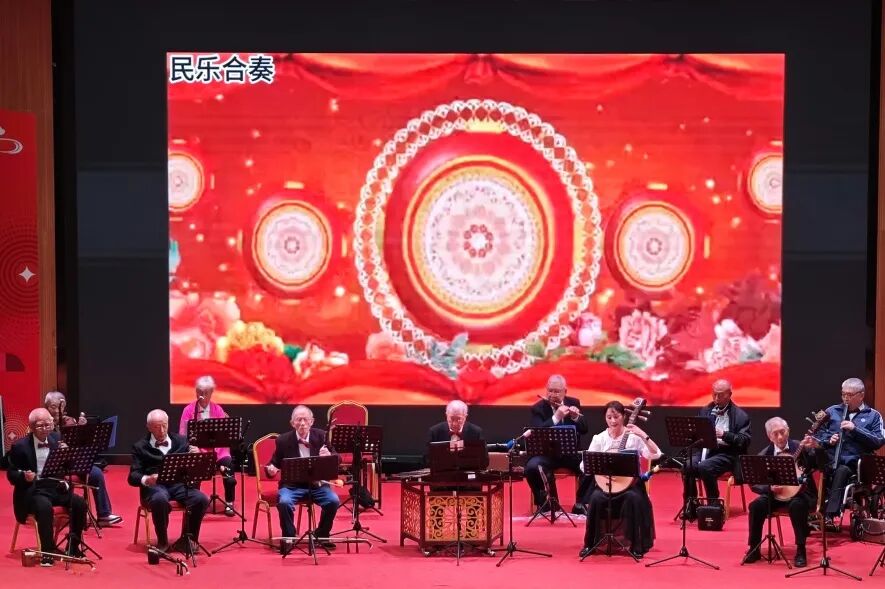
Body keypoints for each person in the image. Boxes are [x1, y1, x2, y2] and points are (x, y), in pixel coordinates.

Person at [578, 401, 660, 559]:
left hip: (630, 486)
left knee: (633, 498)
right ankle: (590, 544)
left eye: (616, 417)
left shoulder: (633, 438)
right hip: (606, 484)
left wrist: (643, 435)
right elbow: (584, 466)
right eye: (609, 417)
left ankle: (636, 546)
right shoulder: (599, 438)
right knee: (595, 498)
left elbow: (655, 454)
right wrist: (598, 469)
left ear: (624, 416)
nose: (613, 421)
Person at [6, 408, 88, 566]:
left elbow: (69, 467)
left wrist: (67, 454)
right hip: (34, 489)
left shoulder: (57, 439)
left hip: (55, 487)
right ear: (31, 427)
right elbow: (11, 474)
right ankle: (47, 551)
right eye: (40, 425)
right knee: (44, 507)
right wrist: (24, 476)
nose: (45, 429)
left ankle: (73, 547)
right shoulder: (20, 446)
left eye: (48, 424)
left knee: (79, 503)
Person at [803, 377, 884, 530]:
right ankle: (810, 509)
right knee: (808, 465)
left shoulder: (873, 415)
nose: (845, 398)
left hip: (854, 464)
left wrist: (855, 429)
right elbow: (818, 433)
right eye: (843, 394)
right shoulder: (832, 411)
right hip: (829, 459)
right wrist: (828, 440)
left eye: (850, 395)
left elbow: (879, 440)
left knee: (842, 470)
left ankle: (829, 515)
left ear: (861, 395)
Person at [128, 409, 209, 553]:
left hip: (178, 485)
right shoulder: (140, 446)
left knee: (201, 499)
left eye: (164, 425)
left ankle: (187, 540)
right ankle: (163, 542)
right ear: (148, 427)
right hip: (156, 487)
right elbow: (133, 476)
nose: (161, 430)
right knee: (159, 499)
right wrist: (147, 479)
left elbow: (195, 468)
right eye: (156, 427)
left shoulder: (182, 441)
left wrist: (197, 456)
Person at [745, 417, 821, 568]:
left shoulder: (801, 447)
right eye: (775, 434)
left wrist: (816, 448)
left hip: (801, 495)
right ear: (769, 436)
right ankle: (754, 548)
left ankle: (801, 550)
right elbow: (754, 483)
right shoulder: (764, 454)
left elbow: (821, 464)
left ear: (788, 431)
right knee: (756, 506)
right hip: (776, 495)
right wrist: (769, 488)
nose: (780, 437)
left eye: (782, 432)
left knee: (797, 506)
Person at [265, 405, 340, 553]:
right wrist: (271, 470)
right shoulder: (283, 440)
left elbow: (338, 458)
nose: (302, 423)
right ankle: (289, 537)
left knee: (333, 501)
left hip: (317, 485)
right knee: (284, 502)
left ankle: (322, 534)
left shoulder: (321, 436)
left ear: (312, 421)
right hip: (292, 486)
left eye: (306, 420)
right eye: (298, 420)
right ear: (292, 423)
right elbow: (274, 463)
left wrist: (329, 456)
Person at [43, 391, 122, 527]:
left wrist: (82, 429)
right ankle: (68, 512)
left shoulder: (70, 421)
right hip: (52, 465)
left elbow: (81, 446)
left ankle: (104, 514)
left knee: (96, 473)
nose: (56, 411)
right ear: (46, 407)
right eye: (53, 407)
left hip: (72, 462)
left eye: (60, 407)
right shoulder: (41, 423)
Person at [682, 379, 751, 519]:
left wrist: (724, 434)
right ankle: (691, 505)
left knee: (705, 467)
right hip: (706, 451)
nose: (716, 398)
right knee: (688, 465)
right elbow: (695, 433)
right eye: (714, 394)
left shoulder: (740, 416)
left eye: (720, 395)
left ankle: (713, 507)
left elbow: (744, 441)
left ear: (729, 394)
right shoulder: (705, 410)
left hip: (727, 453)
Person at [524, 374, 590, 514]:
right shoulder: (538, 408)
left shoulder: (573, 403)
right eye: (550, 391)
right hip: (547, 455)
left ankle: (580, 503)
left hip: (570, 454)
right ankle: (546, 503)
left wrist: (575, 417)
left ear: (565, 392)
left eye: (557, 391)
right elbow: (536, 431)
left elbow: (584, 429)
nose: (553, 395)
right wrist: (556, 417)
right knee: (531, 467)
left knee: (591, 464)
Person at [178, 375, 236, 516]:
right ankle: (195, 503)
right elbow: (182, 435)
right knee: (194, 465)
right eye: (199, 391)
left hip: (218, 451)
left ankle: (229, 502)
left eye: (205, 392)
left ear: (211, 393)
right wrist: (193, 448)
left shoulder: (218, 410)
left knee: (228, 465)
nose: (201, 395)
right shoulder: (188, 410)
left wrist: (216, 454)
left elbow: (224, 436)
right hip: (197, 451)